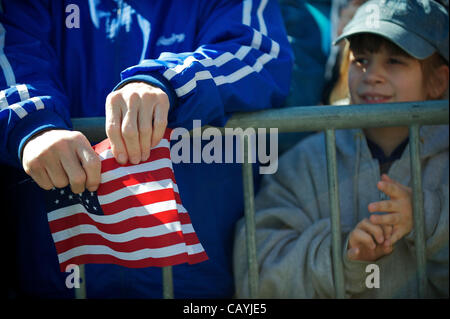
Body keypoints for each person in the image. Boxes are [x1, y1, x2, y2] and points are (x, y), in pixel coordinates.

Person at [0, 0, 295, 298]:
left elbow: (259, 54)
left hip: (199, 283)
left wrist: (169, 81)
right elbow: (11, 53)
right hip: (55, 279)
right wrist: (33, 124)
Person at [234, 0, 449, 298]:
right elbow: (257, 272)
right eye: (360, 59)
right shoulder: (306, 160)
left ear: (439, 81)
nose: (371, 74)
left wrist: (428, 218)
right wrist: (342, 256)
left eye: (395, 60)